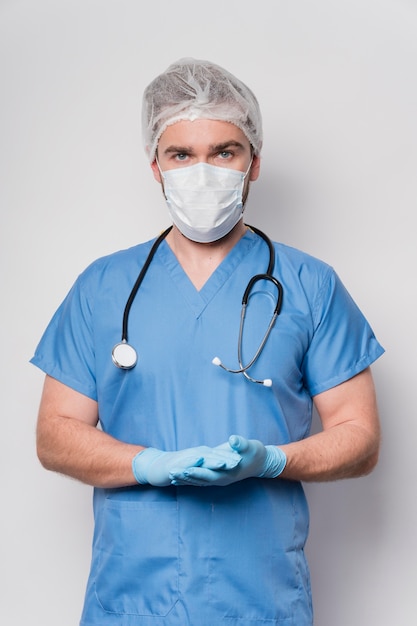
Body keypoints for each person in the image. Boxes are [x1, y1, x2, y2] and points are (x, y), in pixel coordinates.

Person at [31, 58, 384, 626]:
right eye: (181, 154)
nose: (204, 171)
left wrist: (271, 461)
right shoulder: (103, 287)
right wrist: (150, 465)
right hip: (131, 601)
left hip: (261, 601)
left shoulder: (309, 285)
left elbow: (360, 438)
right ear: (155, 166)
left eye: (225, 152)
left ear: (255, 162)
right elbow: (55, 435)